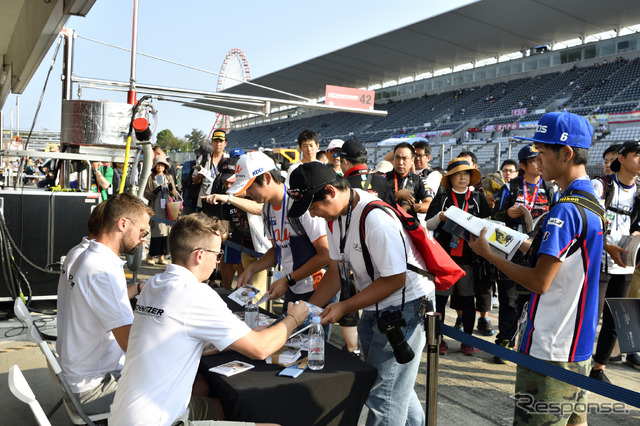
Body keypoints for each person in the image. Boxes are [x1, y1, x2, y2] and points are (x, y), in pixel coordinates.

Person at [469, 111, 604, 426]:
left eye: (541, 152)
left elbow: (540, 282)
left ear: (566, 153)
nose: (536, 160)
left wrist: (490, 255)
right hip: (578, 342)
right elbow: (566, 258)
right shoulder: (591, 201)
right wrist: (517, 243)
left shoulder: (566, 210)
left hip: (550, 346)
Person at [109, 213, 302, 426]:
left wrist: (231, 342)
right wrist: (294, 317)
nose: (218, 261)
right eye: (218, 254)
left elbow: (176, 340)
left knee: (223, 405)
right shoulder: (196, 293)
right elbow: (262, 348)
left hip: (124, 413)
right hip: (159, 421)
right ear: (200, 255)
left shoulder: (154, 283)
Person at [288, 162, 434, 426]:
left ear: (330, 192)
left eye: (313, 206)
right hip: (376, 304)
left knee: (383, 397)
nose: (313, 214)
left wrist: (344, 307)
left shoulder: (374, 218)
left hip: (406, 308)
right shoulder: (336, 218)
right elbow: (335, 270)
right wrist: (304, 312)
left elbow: (395, 279)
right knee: (391, 385)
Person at [57, 193, 153, 414]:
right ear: (122, 224)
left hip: (81, 375)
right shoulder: (103, 270)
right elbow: (131, 344)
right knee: (189, 387)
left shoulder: (87, 255)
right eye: (142, 232)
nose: (143, 239)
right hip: (94, 387)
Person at [230, 152, 329, 307]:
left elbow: (325, 255)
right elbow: (278, 250)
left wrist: (288, 279)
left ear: (267, 178)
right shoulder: (266, 210)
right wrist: (251, 269)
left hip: (317, 288)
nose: (247, 194)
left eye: (250, 187)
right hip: (291, 286)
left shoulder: (301, 204)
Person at [491, 145, 557, 363]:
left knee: (531, 302)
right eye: (532, 161)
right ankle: (504, 343)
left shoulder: (550, 189)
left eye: (539, 159)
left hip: (538, 251)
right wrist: (506, 213)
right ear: (522, 165)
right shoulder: (510, 188)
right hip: (511, 251)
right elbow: (493, 219)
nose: (538, 163)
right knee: (509, 301)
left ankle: (525, 345)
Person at [425, 158, 491, 355]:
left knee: (467, 300)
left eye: (466, 174)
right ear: (450, 178)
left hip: (469, 258)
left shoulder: (478, 198)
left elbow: (488, 225)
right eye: (458, 174)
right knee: (441, 300)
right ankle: (440, 338)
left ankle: (467, 340)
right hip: (445, 257)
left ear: (471, 177)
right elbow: (428, 225)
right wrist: (440, 217)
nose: (462, 177)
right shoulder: (443, 197)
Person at [590, 140, 640, 382]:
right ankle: (575, 360)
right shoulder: (600, 185)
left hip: (625, 263)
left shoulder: (639, 192)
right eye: (637, 154)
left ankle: (599, 368)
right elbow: (588, 222)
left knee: (617, 317)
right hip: (597, 260)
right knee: (592, 315)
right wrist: (607, 245)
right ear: (621, 158)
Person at [144, 156, 178, 266]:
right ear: (155, 166)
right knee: (157, 232)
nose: (160, 167)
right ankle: (151, 255)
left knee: (166, 232)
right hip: (156, 207)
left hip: (167, 208)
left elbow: (174, 193)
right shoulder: (152, 177)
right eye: (158, 165)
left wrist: (171, 187)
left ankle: (162, 256)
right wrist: (157, 190)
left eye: (162, 165)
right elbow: (147, 194)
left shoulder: (168, 177)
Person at [384, 142, 433, 217]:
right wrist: (397, 195)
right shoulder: (383, 178)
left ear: (412, 160)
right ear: (393, 159)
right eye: (397, 157)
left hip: (409, 224)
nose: (400, 162)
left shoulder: (418, 180)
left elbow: (429, 204)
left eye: (405, 158)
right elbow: (375, 202)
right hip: (388, 222)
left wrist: (409, 207)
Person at [192, 129, 227, 211]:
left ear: (225, 143)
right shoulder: (203, 158)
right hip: (204, 202)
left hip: (222, 203)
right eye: (216, 141)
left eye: (221, 141)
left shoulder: (228, 160)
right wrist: (199, 176)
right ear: (212, 142)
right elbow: (194, 181)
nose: (218, 144)